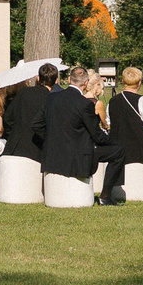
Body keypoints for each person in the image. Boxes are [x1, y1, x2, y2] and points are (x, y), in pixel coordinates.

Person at [35, 67, 109, 196]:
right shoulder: (85, 104)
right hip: (77, 156)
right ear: (86, 83)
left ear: (69, 79)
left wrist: (51, 138)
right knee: (118, 152)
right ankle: (106, 195)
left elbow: (36, 124)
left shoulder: (51, 98)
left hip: (52, 154)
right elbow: (96, 134)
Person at [100, 65, 143, 203]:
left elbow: (109, 122)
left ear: (123, 81)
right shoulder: (142, 100)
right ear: (139, 83)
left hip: (118, 146)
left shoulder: (113, 101)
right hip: (140, 148)